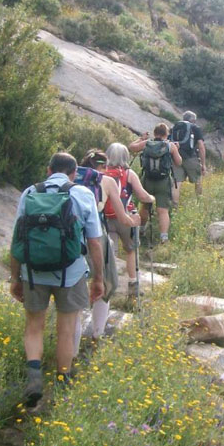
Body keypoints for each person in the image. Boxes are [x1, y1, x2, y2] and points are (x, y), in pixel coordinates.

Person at [9, 152, 104, 407]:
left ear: (49, 170)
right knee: (66, 329)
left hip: (33, 272)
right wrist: (98, 279)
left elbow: (17, 239)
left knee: (33, 326)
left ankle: (34, 378)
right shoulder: (83, 194)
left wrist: (14, 277)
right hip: (70, 273)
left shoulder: (30, 192)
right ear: (74, 173)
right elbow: (94, 241)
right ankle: (63, 380)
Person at [74, 149, 141, 350]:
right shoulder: (108, 181)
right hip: (97, 237)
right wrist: (135, 220)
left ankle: (73, 349)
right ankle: (97, 334)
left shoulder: (72, 180)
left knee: (74, 292)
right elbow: (122, 217)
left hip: (70, 238)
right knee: (106, 283)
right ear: (104, 166)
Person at [104, 142, 153, 292]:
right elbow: (142, 195)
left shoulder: (102, 173)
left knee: (110, 252)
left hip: (105, 218)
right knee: (131, 250)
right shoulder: (129, 173)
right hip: (126, 217)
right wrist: (151, 199)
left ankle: (108, 285)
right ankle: (132, 284)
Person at [131, 123, 182, 243]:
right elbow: (179, 162)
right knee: (163, 210)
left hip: (147, 179)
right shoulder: (170, 146)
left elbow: (132, 147)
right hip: (163, 181)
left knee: (144, 206)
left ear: (155, 133)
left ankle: (141, 230)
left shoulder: (147, 143)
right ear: (167, 134)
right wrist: (176, 149)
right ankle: (164, 237)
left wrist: (141, 138)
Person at [169, 111, 206, 205]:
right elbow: (201, 146)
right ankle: (199, 203)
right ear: (193, 119)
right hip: (190, 158)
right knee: (198, 180)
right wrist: (203, 164)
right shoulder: (195, 128)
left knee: (177, 183)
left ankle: (174, 207)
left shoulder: (174, 128)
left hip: (176, 157)